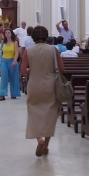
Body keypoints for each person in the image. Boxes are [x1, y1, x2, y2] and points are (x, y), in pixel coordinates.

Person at [20, 25, 64, 157]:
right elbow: (62, 68)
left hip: (34, 85)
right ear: (46, 36)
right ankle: (46, 146)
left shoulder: (29, 50)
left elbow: (22, 71)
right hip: (50, 85)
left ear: (33, 37)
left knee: (34, 112)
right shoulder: (53, 49)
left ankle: (39, 139)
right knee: (50, 114)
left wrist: (32, 70)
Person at [0, 28, 20, 101]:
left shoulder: (15, 43)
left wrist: (15, 61)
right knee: (4, 77)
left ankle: (14, 93)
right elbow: (1, 51)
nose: (7, 34)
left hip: (12, 60)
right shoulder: (3, 42)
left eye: (8, 33)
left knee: (13, 78)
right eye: (6, 33)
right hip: (4, 61)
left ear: (11, 34)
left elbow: (16, 53)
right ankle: (2, 94)